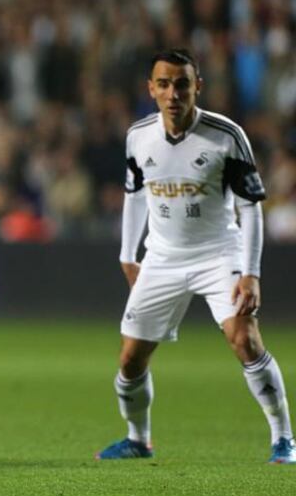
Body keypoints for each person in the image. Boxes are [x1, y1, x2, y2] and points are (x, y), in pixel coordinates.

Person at [96, 48, 294, 464]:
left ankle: (284, 439)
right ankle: (138, 439)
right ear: (151, 89)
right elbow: (135, 194)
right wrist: (127, 253)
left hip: (218, 253)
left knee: (246, 340)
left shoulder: (226, 136)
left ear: (197, 87)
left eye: (182, 84)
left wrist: (250, 272)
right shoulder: (139, 136)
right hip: (162, 257)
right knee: (131, 358)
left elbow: (251, 207)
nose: (173, 93)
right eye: (164, 84)